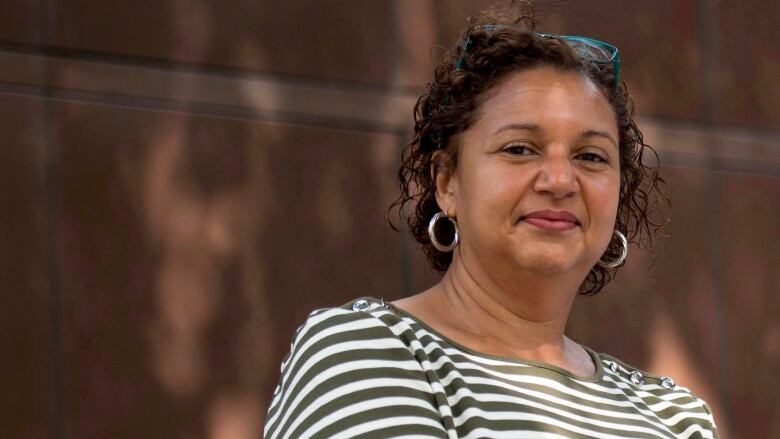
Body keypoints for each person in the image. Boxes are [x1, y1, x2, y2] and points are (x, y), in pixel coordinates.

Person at [264, 2, 719, 438]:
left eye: (590, 156)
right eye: (519, 148)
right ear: (446, 182)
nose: (561, 180)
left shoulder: (674, 415)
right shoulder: (364, 353)